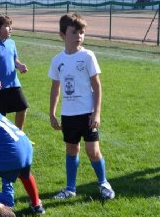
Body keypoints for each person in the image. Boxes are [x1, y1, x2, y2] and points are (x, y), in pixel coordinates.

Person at [48, 13, 115, 201]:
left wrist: (97, 112)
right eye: (74, 32)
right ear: (62, 34)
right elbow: (55, 88)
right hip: (68, 115)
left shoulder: (87, 56)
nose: (79, 36)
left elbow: (97, 85)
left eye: (82, 32)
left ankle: (103, 183)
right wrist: (52, 113)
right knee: (71, 150)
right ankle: (70, 188)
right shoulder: (57, 60)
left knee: (93, 151)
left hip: (87, 113)